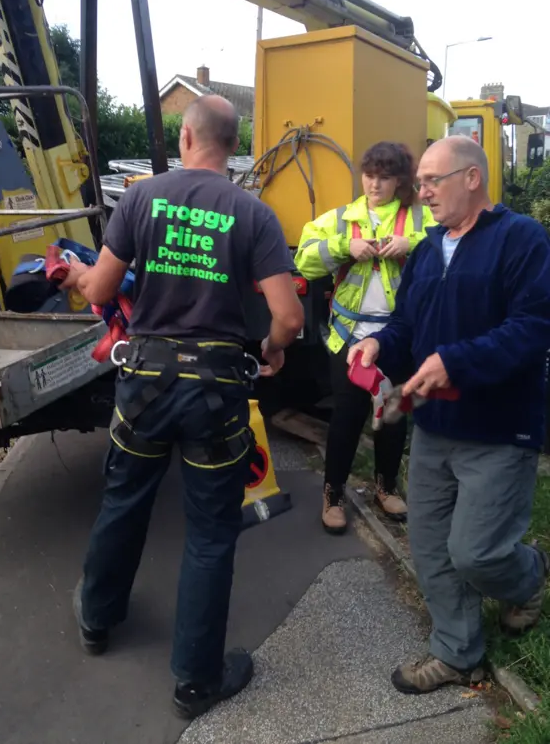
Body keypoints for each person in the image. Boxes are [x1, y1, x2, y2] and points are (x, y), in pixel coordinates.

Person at [59, 94, 304, 719]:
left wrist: (75, 275)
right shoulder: (254, 213)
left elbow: (103, 287)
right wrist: (272, 353)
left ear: (186, 138)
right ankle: (195, 681)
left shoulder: (140, 197)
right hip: (216, 392)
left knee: (125, 500)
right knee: (210, 532)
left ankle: (96, 617)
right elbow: (288, 317)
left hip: (144, 384)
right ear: (231, 141)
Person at [348, 135, 550, 694]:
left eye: (433, 180)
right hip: (435, 426)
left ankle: (528, 574)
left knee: (477, 552)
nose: (423, 192)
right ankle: (458, 651)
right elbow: (410, 325)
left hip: (498, 426)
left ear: (472, 178)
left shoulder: (522, 239)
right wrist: (380, 346)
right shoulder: (428, 247)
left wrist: (455, 361)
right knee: (433, 546)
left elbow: (533, 329)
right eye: (420, 183)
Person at [295, 142, 433, 534]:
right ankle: (333, 493)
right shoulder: (342, 218)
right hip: (349, 334)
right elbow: (304, 258)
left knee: (393, 415)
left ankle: (385, 487)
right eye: (370, 175)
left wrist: (414, 244)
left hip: (399, 334)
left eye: (385, 177)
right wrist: (344, 246)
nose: (375, 184)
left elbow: (448, 246)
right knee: (348, 415)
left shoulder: (419, 218)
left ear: (400, 181)